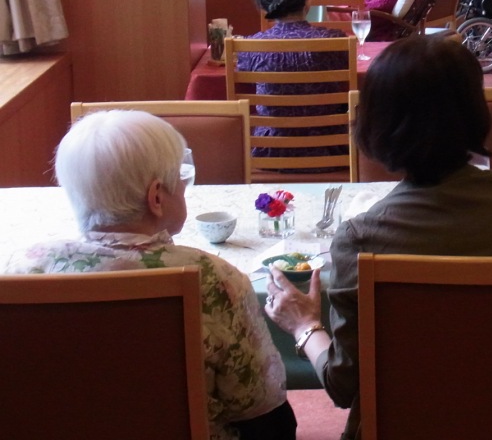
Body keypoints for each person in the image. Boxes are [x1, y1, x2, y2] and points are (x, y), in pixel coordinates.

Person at [262, 35, 492, 440]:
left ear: (378, 127)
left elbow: (344, 385)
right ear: (475, 113)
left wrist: (304, 324)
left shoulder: (360, 239)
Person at [4, 110, 295, 440]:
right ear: (156, 197)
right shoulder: (215, 278)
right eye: (180, 183)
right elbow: (257, 407)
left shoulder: (23, 268)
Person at [242, 0, 349, 166]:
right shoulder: (336, 42)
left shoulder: (251, 48)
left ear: (264, 4)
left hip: (270, 154)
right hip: (329, 153)